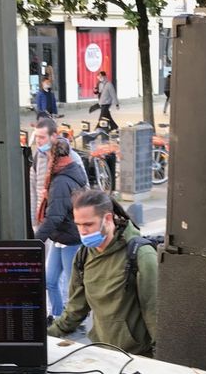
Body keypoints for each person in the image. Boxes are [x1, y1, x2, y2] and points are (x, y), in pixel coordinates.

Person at [48, 189, 158, 356]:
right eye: (78, 225)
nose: (82, 231)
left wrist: (161, 364)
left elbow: (154, 314)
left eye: (88, 224)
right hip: (101, 352)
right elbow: (75, 309)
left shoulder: (141, 254)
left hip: (137, 356)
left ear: (107, 218)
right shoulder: (83, 255)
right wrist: (45, 337)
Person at [34, 138, 87, 323]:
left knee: (72, 286)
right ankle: (57, 316)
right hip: (62, 237)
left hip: (69, 239)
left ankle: (72, 321)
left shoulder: (61, 182)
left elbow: (55, 217)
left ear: (53, 157)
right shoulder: (72, 171)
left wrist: (35, 241)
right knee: (50, 280)